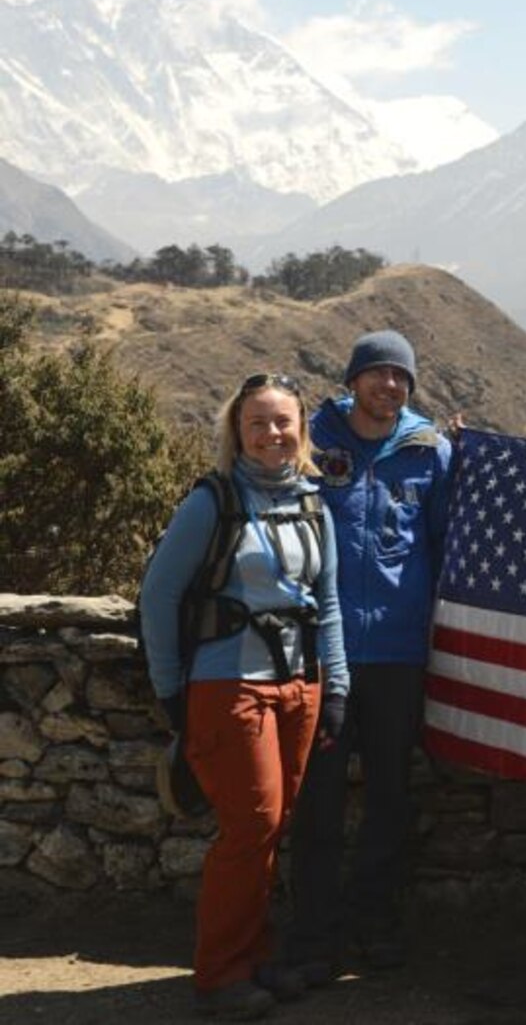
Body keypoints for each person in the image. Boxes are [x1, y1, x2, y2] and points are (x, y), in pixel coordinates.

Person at [139, 373, 349, 1021]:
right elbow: (158, 595)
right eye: (256, 423)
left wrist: (335, 685)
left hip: (299, 684)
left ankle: (256, 957)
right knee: (250, 826)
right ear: (237, 431)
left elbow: (330, 604)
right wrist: (171, 691)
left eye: (283, 422)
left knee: (273, 828)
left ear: (302, 431)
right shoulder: (213, 502)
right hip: (230, 683)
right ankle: (219, 973)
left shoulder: (315, 502)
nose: (271, 434)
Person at [283, 331, 453, 980]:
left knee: (389, 796)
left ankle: (373, 919)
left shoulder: (428, 452)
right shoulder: (313, 441)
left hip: (397, 656)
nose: (388, 386)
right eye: (376, 373)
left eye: (400, 377)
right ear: (352, 379)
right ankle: (314, 935)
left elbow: (441, 546)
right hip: (324, 656)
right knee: (318, 800)